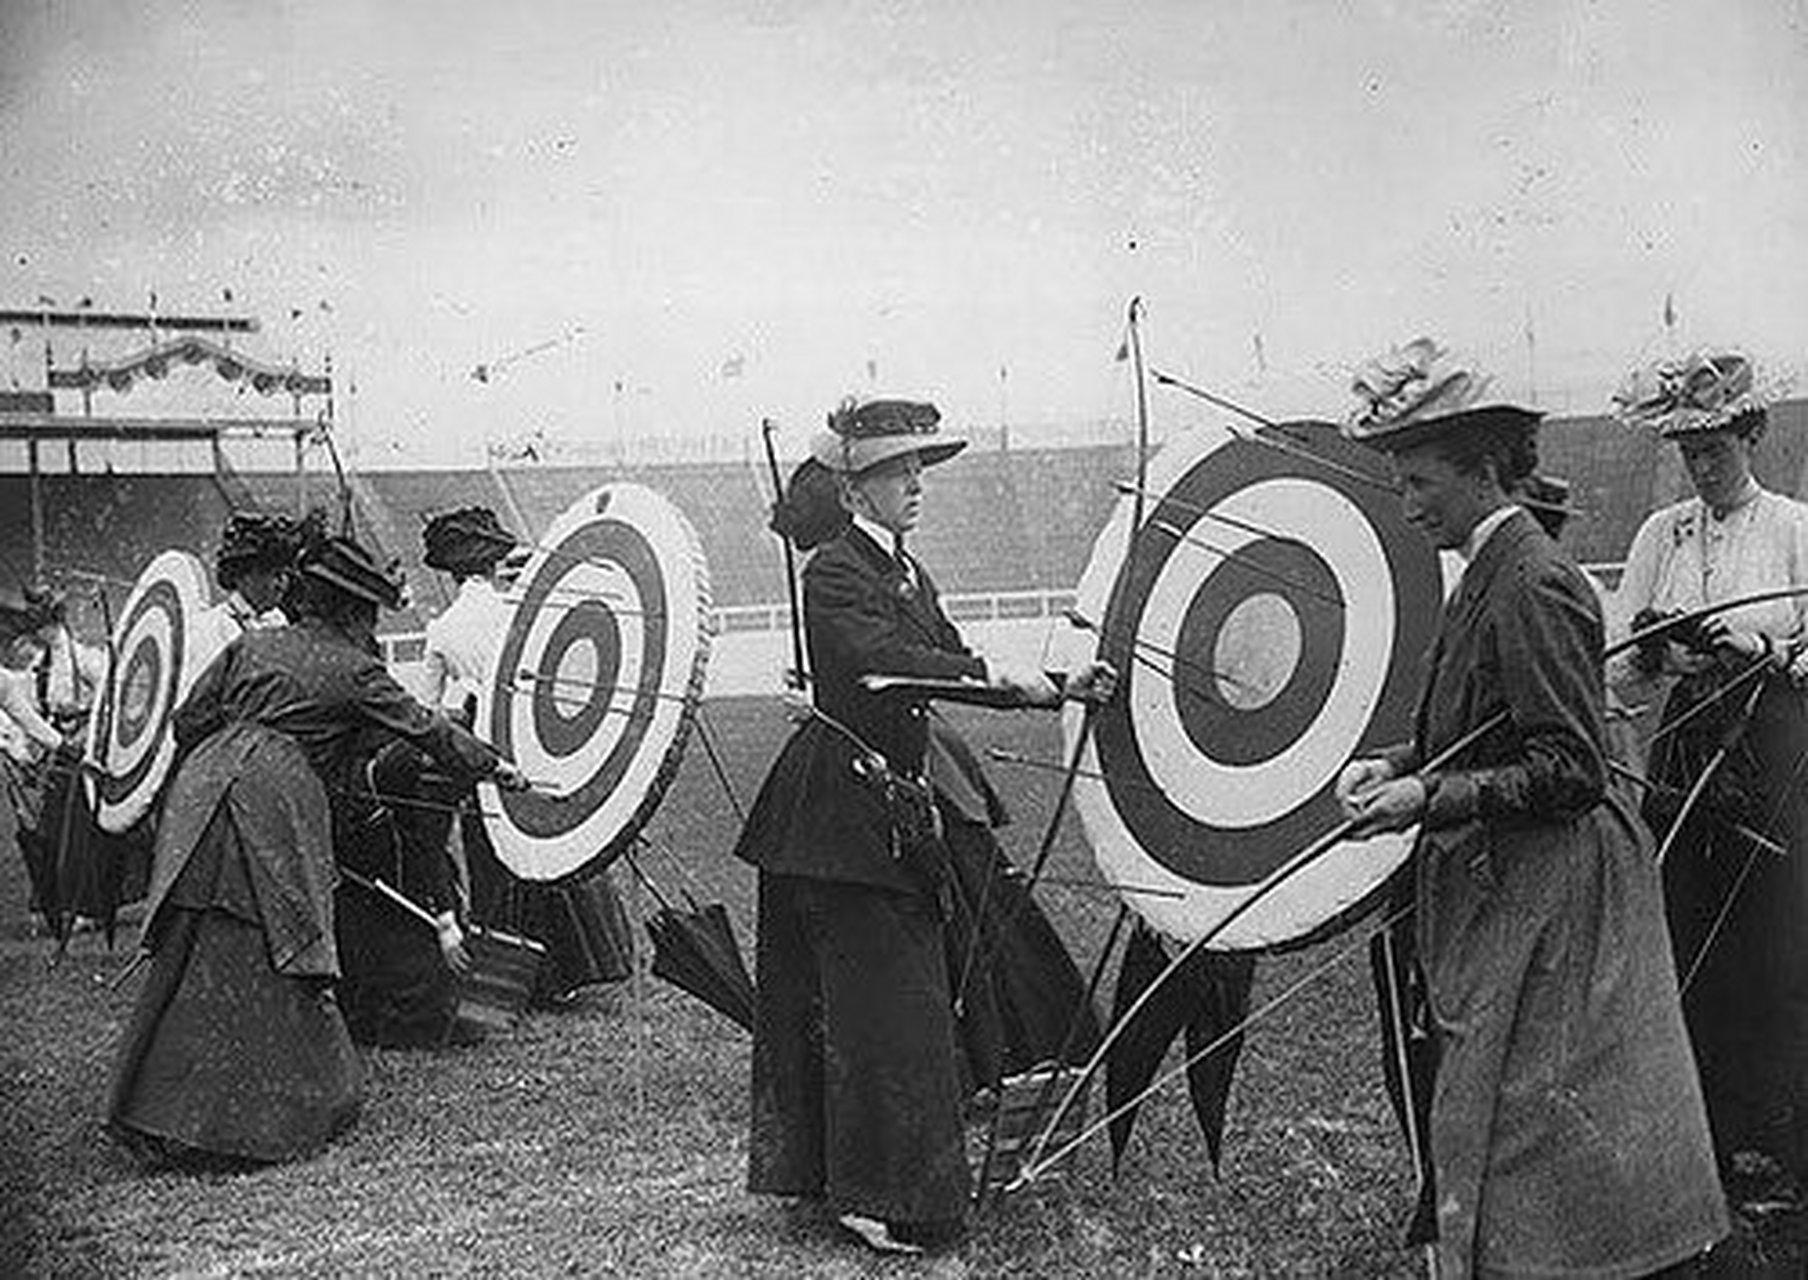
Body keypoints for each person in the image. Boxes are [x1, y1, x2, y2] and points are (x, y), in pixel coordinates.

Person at [1334, 338, 1726, 1275]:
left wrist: (1428, 795)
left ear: (1482, 470)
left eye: (1421, 479)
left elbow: (1570, 768)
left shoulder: (1536, 580)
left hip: (1558, 896)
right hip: (1512, 883)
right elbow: (1479, 730)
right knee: (1513, 1106)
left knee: (1544, 1113)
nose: (1408, 501)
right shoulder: (1487, 571)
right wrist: (1391, 763)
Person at [733, 396, 1112, 1256]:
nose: (916, 486)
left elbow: (943, 659)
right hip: (837, 818)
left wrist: (1060, 679)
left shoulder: (905, 572)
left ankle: (880, 1182)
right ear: (856, 488)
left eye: (918, 471)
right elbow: (889, 669)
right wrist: (1023, 682)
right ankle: (878, 1198)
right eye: (899, 472)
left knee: (895, 1006)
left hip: (892, 812)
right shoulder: (832, 570)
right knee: (880, 1012)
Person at [107, 530, 527, 1164]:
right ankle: (238, 1121)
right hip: (276, 800)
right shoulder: (357, 669)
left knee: (197, 941)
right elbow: (427, 730)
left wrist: (242, 741)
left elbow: (188, 722)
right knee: (271, 940)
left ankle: (156, 1107)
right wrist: (497, 767)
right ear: (356, 613)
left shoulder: (251, 644)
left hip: (204, 790)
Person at [1607, 347, 1808, 1212]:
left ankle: (1780, 1140)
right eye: (1689, 449)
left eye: (1717, 444)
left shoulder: (1794, 527)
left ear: (1749, 434)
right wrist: (1659, 646)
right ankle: (1707, 1139)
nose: (1703, 462)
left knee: (1774, 940)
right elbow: (1620, 673)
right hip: (1687, 752)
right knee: (1686, 932)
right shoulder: (1662, 534)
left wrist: (1757, 650)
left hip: (1774, 749)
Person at [417, 505, 634, 1008]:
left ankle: (514, 967)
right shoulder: (514, 613)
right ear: (494, 564)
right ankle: (570, 967)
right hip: (528, 742)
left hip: (476, 751)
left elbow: (429, 711)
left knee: (490, 855)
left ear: (451, 573)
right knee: (547, 848)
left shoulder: (441, 629)